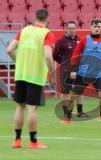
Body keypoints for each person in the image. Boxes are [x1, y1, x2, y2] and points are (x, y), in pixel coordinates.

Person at [7, 9, 55, 149]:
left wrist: (19, 62)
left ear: (35, 17)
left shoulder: (24, 30)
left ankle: (17, 140)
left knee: (20, 106)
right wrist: (52, 71)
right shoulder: (46, 33)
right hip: (35, 76)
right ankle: (33, 142)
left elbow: (9, 49)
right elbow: (47, 56)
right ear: (47, 19)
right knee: (32, 108)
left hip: (21, 74)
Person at [70, 18, 101, 123]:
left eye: (98, 26)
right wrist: (73, 70)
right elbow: (75, 54)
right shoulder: (84, 40)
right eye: (95, 26)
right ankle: (67, 117)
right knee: (73, 95)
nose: (96, 28)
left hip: (99, 74)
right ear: (91, 27)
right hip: (83, 73)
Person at [53, 21, 87, 125]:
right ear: (66, 29)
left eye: (73, 28)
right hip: (66, 71)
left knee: (79, 91)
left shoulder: (79, 40)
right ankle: (66, 113)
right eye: (70, 28)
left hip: (78, 70)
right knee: (65, 92)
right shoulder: (61, 41)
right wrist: (64, 64)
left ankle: (80, 112)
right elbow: (55, 55)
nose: (72, 30)